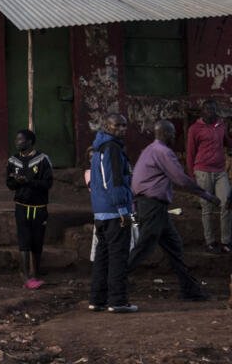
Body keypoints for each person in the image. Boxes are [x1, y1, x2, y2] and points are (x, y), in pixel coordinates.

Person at [127, 119, 218, 302]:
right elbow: (181, 179)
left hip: (153, 207)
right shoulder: (163, 152)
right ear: (167, 134)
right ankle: (112, 283)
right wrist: (207, 195)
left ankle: (189, 290)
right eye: (173, 134)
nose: (175, 137)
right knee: (144, 247)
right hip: (153, 207)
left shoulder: (149, 150)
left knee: (174, 247)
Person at [88, 113, 136, 313]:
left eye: (124, 125)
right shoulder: (113, 148)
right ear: (107, 127)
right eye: (118, 125)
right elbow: (114, 181)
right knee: (118, 257)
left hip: (100, 212)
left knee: (102, 257)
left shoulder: (98, 148)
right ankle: (118, 301)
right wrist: (123, 210)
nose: (122, 129)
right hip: (114, 212)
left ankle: (97, 300)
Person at [6, 129, 53, 289]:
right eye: (17, 140)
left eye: (20, 140)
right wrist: (17, 181)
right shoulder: (13, 160)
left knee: (37, 242)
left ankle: (36, 274)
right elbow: (9, 184)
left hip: (39, 207)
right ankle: (26, 276)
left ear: (30, 142)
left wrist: (28, 181)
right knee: (24, 241)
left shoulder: (43, 159)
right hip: (21, 206)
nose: (17, 142)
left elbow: (47, 183)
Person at [185, 100, 231, 253]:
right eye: (207, 109)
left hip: (220, 171)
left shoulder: (221, 125)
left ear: (216, 111)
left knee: (227, 203)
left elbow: (227, 142)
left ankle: (226, 241)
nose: (210, 112)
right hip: (202, 171)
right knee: (207, 207)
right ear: (202, 111)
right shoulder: (195, 129)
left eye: (213, 109)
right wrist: (191, 176)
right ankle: (210, 242)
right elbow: (190, 153)